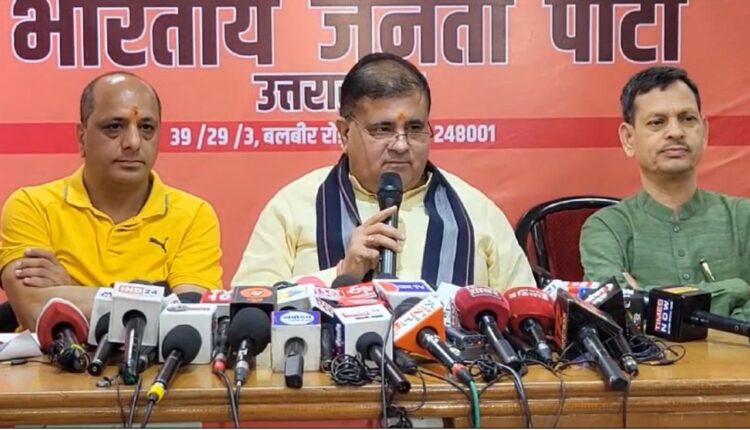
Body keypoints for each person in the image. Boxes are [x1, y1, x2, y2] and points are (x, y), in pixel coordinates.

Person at [232, 52, 534, 290]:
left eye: (414, 128)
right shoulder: (293, 207)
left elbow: (525, 315)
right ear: (344, 133)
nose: (401, 145)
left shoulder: (476, 211)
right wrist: (341, 273)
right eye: (383, 129)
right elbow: (249, 311)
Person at [0, 72, 223, 330]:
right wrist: (157, 295)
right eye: (114, 127)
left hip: (154, 359)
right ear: (81, 136)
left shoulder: (194, 215)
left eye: (146, 128)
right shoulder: (31, 206)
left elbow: (188, 319)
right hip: (50, 357)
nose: (133, 143)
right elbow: (34, 310)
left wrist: (71, 289)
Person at [580, 66, 750, 319]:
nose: (676, 132)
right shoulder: (607, 227)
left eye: (687, 119)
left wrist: (646, 297)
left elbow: (639, 306)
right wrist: (736, 289)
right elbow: (618, 310)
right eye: (657, 122)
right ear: (628, 138)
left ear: (704, 132)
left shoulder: (743, 217)